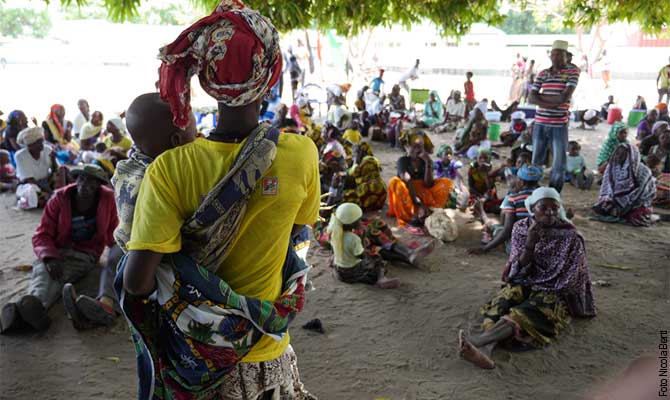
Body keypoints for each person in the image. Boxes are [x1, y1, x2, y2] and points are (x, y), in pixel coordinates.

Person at [119, 2, 318, 398]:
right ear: (269, 76)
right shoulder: (300, 155)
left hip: (200, 363)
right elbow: (300, 235)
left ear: (207, 81)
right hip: (267, 353)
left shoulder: (168, 169)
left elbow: (137, 282)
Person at [459, 187, 595, 369]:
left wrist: (544, 287)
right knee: (503, 303)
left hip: (556, 289)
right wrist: (530, 243)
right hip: (526, 281)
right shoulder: (521, 229)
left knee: (528, 311)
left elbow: (571, 278)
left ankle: (478, 341)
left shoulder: (571, 236)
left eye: (554, 208)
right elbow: (516, 270)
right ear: (532, 209)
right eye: (543, 207)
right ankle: (486, 352)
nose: (550, 212)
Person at [0, 164, 118, 334]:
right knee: (44, 274)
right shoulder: (59, 198)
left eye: (92, 182)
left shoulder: (107, 199)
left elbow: (113, 232)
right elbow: (42, 234)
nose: (85, 185)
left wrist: (119, 254)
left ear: (99, 186)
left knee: (61, 276)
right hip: (56, 250)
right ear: (75, 179)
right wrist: (49, 256)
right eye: (82, 179)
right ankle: (31, 306)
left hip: (84, 254)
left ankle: (27, 311)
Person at [528, 40, 580, 192]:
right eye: (554, 54)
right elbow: (531, 98)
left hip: (559, 124)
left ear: (567, 56)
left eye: (560, 54)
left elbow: (565, 97)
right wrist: (554, 102)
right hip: (540, 123)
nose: (556, 57)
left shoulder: (572, 72)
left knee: (559, 163)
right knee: (536, 160)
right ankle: (533, 190)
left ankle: (554, 193)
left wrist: (542, 101)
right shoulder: (543, 73)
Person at [469, 165, 542, 255]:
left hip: (519, 249)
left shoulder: (514, 199)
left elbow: (507, 231)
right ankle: (482, 212)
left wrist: (485, 249)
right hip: (541, 247)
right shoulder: (543, 199)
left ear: (521, 182)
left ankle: (482, 212)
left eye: (517, 178)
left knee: (497, 229)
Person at [327, 203, 401, 289]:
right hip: (351, 272)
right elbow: (361, 256)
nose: (361, 222)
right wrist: (364, 241)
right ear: (352, 223)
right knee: (377, 259)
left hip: (340, 271)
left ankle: (339, 271)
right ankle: (381, 279)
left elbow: (334, 250)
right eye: (359, 220)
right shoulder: (353, 238)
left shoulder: (334, 233)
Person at [387, 133, 454, 227]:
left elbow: (428, 184)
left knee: (446, 182)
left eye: (420, 147)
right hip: (409, 194)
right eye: (414, 147)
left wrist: (427, 163)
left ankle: (429, 210)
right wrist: (419, 204)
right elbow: (408, 181)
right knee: (394, 182)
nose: (418, 150)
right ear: (407, 147)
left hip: (423, 193)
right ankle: (411, 215)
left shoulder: (424, 161)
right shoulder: (402, 161)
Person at [593, 143, 656, 226]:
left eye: (623, 154)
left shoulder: (643, 171)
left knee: (635, 217)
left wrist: (622, 205)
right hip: (617, 200)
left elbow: (638, 194)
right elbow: (607, 187)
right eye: (618, 153)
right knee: (601, 208)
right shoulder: (612, 167)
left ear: (631, 155)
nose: (619, 156)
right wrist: (607, 200)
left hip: (637, 203)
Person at [14, 127, 60, 208]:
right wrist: (49, 192)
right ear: (30, 146)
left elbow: (56, 171)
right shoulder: (20, 156)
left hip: (46, 182)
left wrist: (53, 160)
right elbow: (30, 180)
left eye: (42, 141)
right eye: (38, 142)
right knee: (33, 192)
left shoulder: (47, 149)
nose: (42, 144)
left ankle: (56, 196)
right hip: (29, 185)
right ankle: (50, 199)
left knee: (62, 172)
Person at [468, 150, 501, 215]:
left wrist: (486, 175)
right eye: (480, 158)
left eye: (485, 158)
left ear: (488, 160)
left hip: (488, 194)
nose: (483, 160)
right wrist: (479, 195)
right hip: (476, 193)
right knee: (474, 201)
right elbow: (471, 186)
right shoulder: (472, 169)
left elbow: (490, 187)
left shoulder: (490, 170)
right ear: (477, 159)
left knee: (491, 203)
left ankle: (482, 207)